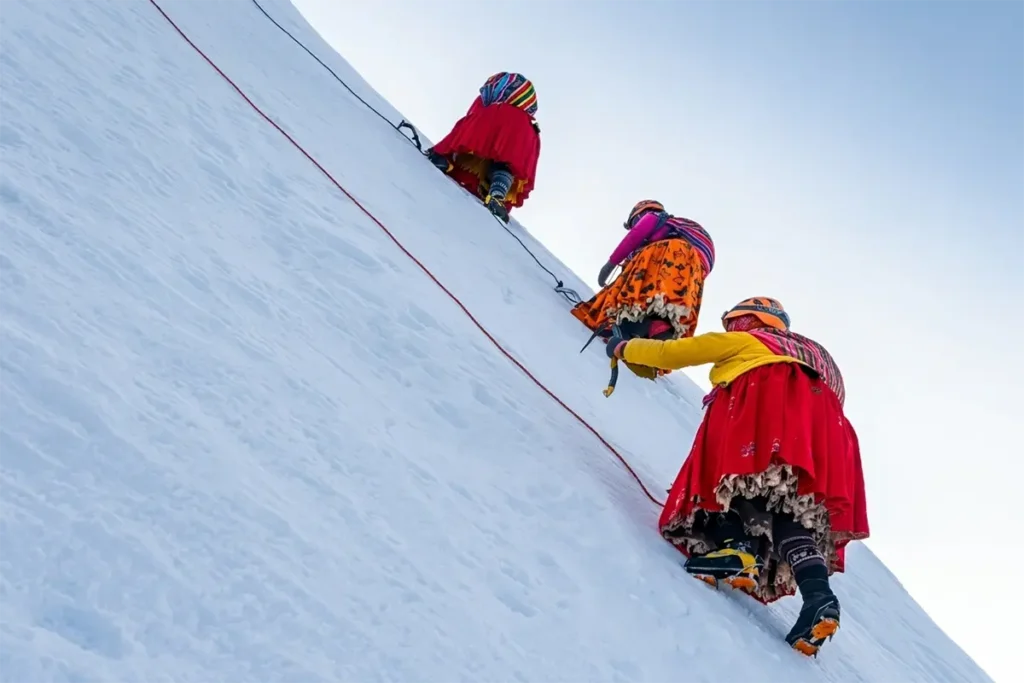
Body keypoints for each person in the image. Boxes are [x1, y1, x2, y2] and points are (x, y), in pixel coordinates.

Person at [606, 297, 869, 656]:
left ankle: (738, 549)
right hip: (826, 433)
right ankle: (819, 598)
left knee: (730, 477)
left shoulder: (750, 340)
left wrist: (623, 347)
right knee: (787, 509)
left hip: (766, 397)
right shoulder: (816, 356)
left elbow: (675, 353)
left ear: (751, 319)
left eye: (735, 321)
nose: (731, 327)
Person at [571, 200, 714, 379]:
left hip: (673, 252)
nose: (633, 227)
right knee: (664, 307)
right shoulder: (676, 230)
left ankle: (625, 324)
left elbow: (636, 235)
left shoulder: (655, 217)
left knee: (636, 294)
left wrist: (611, 263)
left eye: (633, 223)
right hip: (694, 274)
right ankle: (656, 338)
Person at [426, 72, 541, 222]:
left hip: (493, 121)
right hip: (519, 142)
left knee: (469, 138)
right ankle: (497, 195)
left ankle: (445, 159)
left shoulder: (495, 109)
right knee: (506, 165)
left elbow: (468, 125)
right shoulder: (532, 131)